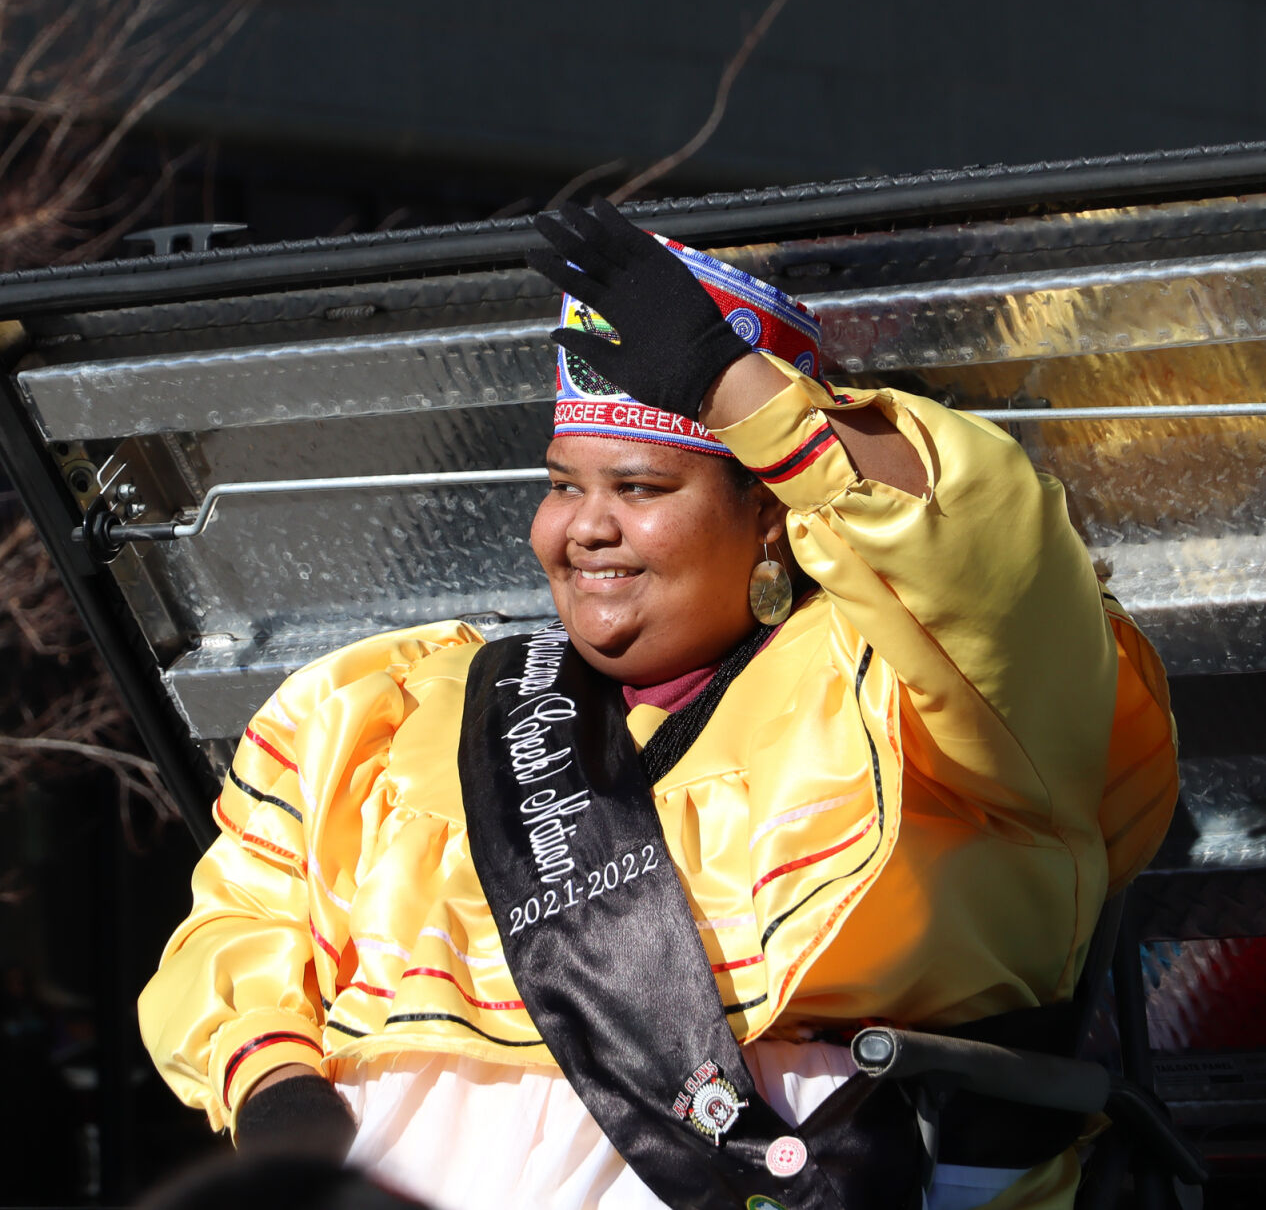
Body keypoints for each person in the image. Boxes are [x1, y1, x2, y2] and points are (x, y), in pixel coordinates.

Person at [139, 202, 1179, 1210]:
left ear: (772, 521)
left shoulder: (915, 691)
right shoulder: (399, 705)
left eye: (639, 489)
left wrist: (727, 383)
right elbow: (247, 918)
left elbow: (980, 552)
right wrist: (276, 1094)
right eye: (562, 485)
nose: (581, 529)